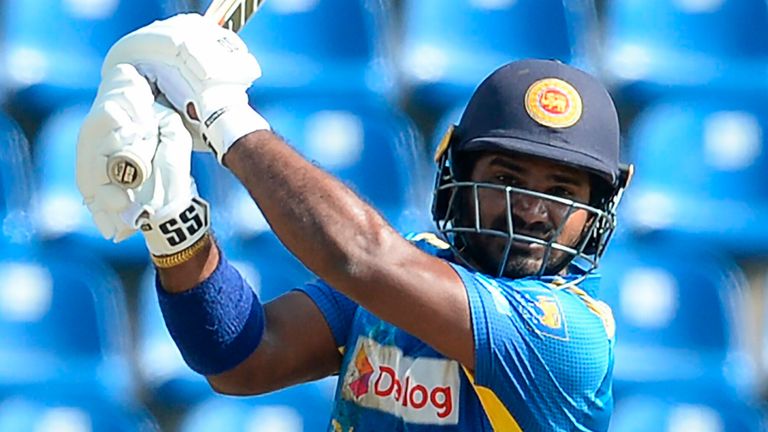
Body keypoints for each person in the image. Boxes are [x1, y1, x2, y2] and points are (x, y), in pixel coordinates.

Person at [76, 14, 632, 432]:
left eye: (562, 192)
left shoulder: (567, 337)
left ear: (596, 211)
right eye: (507, 179)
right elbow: (242, 358)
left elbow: (361, 258)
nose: (533, 210)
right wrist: (175, 225)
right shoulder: (411, 275)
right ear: (456, 172)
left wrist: (224, 117)